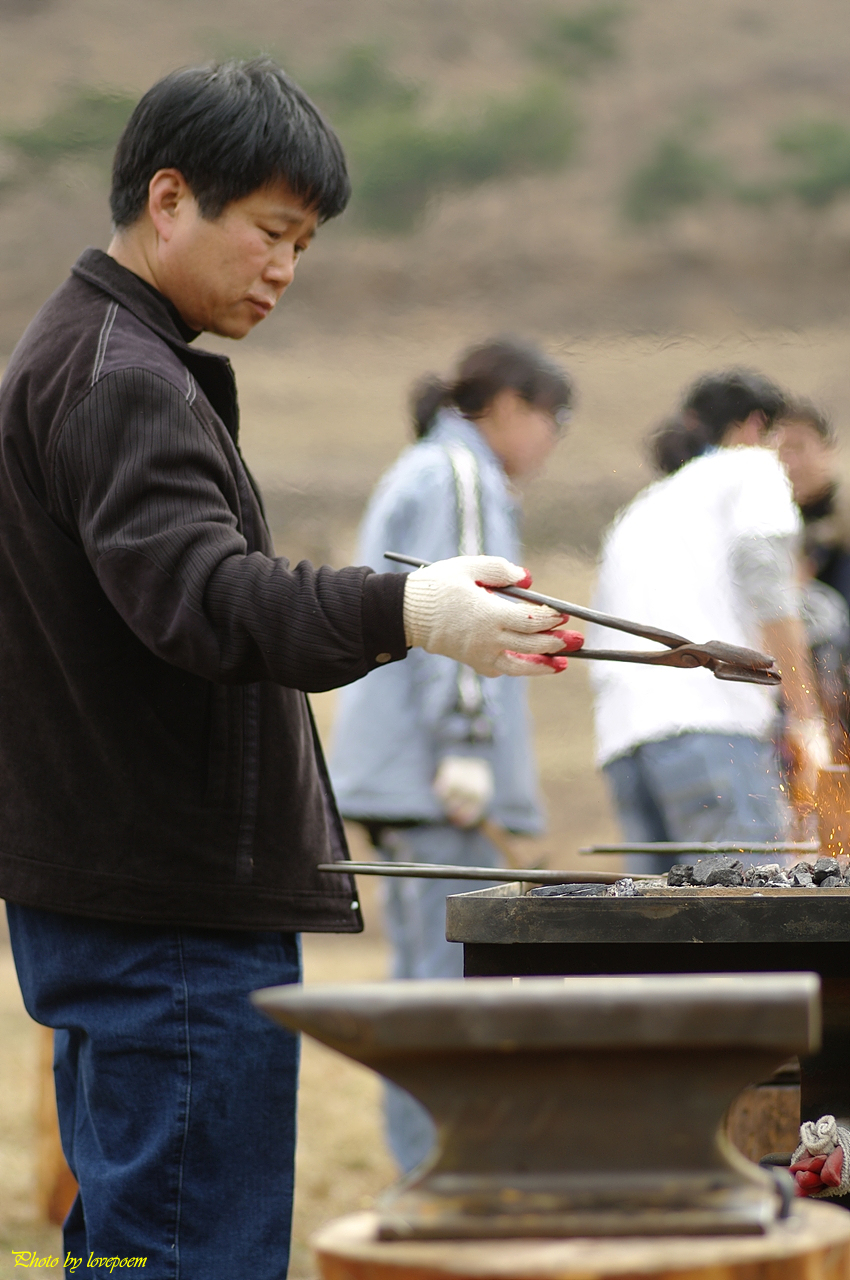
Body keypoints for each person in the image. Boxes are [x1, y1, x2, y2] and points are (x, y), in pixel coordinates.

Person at [0, 61, 579, 1279]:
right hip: (172, 911)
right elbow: (207, 600)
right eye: (271, 232)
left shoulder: (96, 356)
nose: (284, 271)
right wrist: (410, 607)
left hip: (125, 892)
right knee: (187, 1247)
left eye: (304, 245)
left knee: (128, 1248)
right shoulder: (123, 380)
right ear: (169, 199)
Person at [329, 338, 577, 1171]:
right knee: (446, 986)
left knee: (421, 981)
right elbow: (465, 615)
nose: (551, 439)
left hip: (396, 773)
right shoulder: (462, 475)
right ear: (509, 406)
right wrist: (468, 752)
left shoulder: (422, 465)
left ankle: (424, 1172)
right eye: (553, 419)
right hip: (437, 778)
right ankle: (443, 1177)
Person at [587, 370, 830, 874]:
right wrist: (806, 716)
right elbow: (767, 583)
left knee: (663, 937)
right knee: (748, 919)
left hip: (627, 744)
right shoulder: (753, 468)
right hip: (712, 730)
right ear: (757, 426)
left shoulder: (644, 507)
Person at [778, 402, 850, 761]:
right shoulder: (767, 530)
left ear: (827, 449)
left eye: (799, 447)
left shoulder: (843, 522)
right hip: (793, 710)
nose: (789, 462)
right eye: (779, 451)